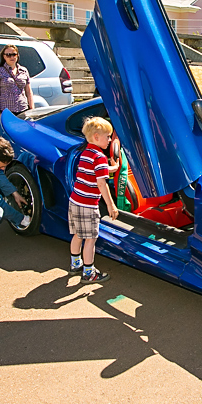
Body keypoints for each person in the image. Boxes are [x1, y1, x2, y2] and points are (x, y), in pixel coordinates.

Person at [68, 116, 119, 284]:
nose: (110, 139)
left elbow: (100, 171)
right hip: (88, 206)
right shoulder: (99, 157)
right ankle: (89, 273)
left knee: (77, 235)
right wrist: (111, 206)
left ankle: (75, 264)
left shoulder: (87, 153)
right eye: (108, 136)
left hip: (75, 201)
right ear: (97, 137)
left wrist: (114, 167)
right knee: (90, 240)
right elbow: (102, 183)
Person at [0, 45, 34, 127]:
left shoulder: (23, 70)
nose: (11, 57)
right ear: (4, 57)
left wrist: (32, 110)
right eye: (8, 55)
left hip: (22, 109)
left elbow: (28, 91)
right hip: (7, 111)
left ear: (17, 55)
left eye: (14, 54)